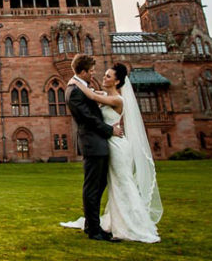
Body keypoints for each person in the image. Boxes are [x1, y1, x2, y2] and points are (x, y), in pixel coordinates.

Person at [61, 61, 162, 243]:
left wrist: (76, 81)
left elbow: (92, 96)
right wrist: (76, 82)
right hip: (103, 143)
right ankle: (99, 226)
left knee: (118, 183)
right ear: (82, 71)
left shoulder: (115, 98)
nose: (99, 76)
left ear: (117, 82)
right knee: (106, 185)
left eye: (107, 76)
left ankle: (124, 224)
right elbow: (91, 106)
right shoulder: (96, 93)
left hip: (114, 146)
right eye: (93, 71)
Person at [61, 54, 123, 242]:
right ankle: (94, 230)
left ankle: (92, 225)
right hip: (93, 143)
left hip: (97, 143)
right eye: (91, 71)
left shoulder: (79, 88)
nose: (93, 74)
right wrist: (109, 130)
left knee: (98, 185)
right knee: (93, 188)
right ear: (82, 71)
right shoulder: (74, 91)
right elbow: (88, 118)